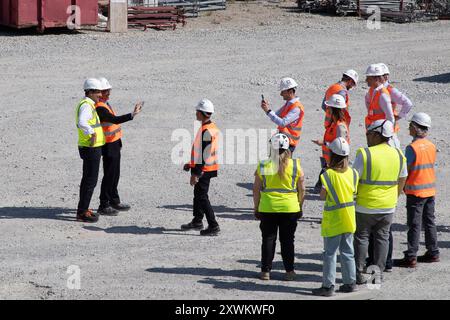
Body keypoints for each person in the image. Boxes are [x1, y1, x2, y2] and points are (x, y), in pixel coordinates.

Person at [353, 120, 407, 284]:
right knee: (382, 239)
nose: (367, 137)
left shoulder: (364, 154)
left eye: (369, 134)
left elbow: (354, 178)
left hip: (365, 205)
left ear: (377, 134)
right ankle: (377, 276)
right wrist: (395, 195)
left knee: (362, 238)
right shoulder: (398, 154)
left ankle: (361, 273)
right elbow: (403, 177)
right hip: (387, 207)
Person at [253, 133, 305, 281]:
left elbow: (256, 189)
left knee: (268, 239)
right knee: (288, 240)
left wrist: (256, 207)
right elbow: (302, 189)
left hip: (268, 208)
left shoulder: (264, 165)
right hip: (290, 208)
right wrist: (300, 205)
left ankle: (265, 272)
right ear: (288, 148)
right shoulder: (295, 165)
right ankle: (289, 271)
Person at [312, 137, 358, 297]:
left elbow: (323, 196)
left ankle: (328, 286)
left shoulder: (328, 174)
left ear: (332, 154)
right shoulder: (353, 173)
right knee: (348, 251)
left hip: (333, 220)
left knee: (330, 254)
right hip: (349, 218)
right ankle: (350, 283)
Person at [396, 112, 439, 267]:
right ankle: (433, 252)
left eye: (410, 125)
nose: (408, 128)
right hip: (430, 190)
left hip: (415, 192)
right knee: (429, 222)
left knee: (414, 224)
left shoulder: (412, 148)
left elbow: (405, 172)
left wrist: (400, 188)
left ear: (415, 127)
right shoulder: (431, 146)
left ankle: (411, 256)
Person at [95, 77, 143, 215]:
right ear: (99, 92)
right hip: (108, 145)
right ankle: (103, 204)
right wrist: (132, 114)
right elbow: (114, 120)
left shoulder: (105, 103)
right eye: (106, 91)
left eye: (109, 90)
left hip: (114, 143)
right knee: (109, 174)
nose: (109, 93)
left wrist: (119, 142)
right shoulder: (100, 107)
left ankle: (114, 200)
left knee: (115, 174)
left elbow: (113, 126)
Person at [181, 99, 220, 236]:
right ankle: (197, 220)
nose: (195, 113)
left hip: (204, 169)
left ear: (202, 113)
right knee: (198, 195)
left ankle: (213, 225)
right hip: (206, 167)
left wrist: (196, 173)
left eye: (197, 111)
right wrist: (190, 164)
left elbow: (204, 154)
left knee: (202, 196)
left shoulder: (206, 131)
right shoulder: (210, 127)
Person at [75, 78, 106, 222]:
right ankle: (82, 213)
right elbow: (82, 122)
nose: (100, 94)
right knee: (90, 180)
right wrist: (91, 133)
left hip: (90, 147)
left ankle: (83, 208)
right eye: (98, 92)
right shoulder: (87, 105)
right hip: (90, 148)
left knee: (88, 179)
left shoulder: (88, 104)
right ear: (90, 92)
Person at [312, 94, 350, 193]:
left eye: (329, 108)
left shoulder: (340, 127)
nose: (327, 110)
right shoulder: (334, 123)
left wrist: (323, 143)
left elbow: (340, 147)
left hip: (336, 163)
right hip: (331, 161)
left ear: (332, 109)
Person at [260, 78, 305, 152]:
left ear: (290, 92)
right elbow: (276, 116)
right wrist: (267, 108)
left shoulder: (297, 108)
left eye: (283, 92)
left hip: (289, 143)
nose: (280, 94)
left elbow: (282, 123)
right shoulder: (289, 104)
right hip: (283, 140)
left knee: (282, 163)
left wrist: (268, 111)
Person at [378, 63, 414, 148]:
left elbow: (408, 103)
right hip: (379, 128)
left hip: (388, 129)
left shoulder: (390, 90)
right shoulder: (376, 89)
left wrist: (398, 117)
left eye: (383, 75)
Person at [364, 64, 395, 133]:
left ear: (376, 79)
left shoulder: (383, 95)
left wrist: (388, 134)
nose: (366, 80)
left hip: (380, 131)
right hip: (373, 130)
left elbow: (390, 118)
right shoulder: (372, 91)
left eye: (369, 78)